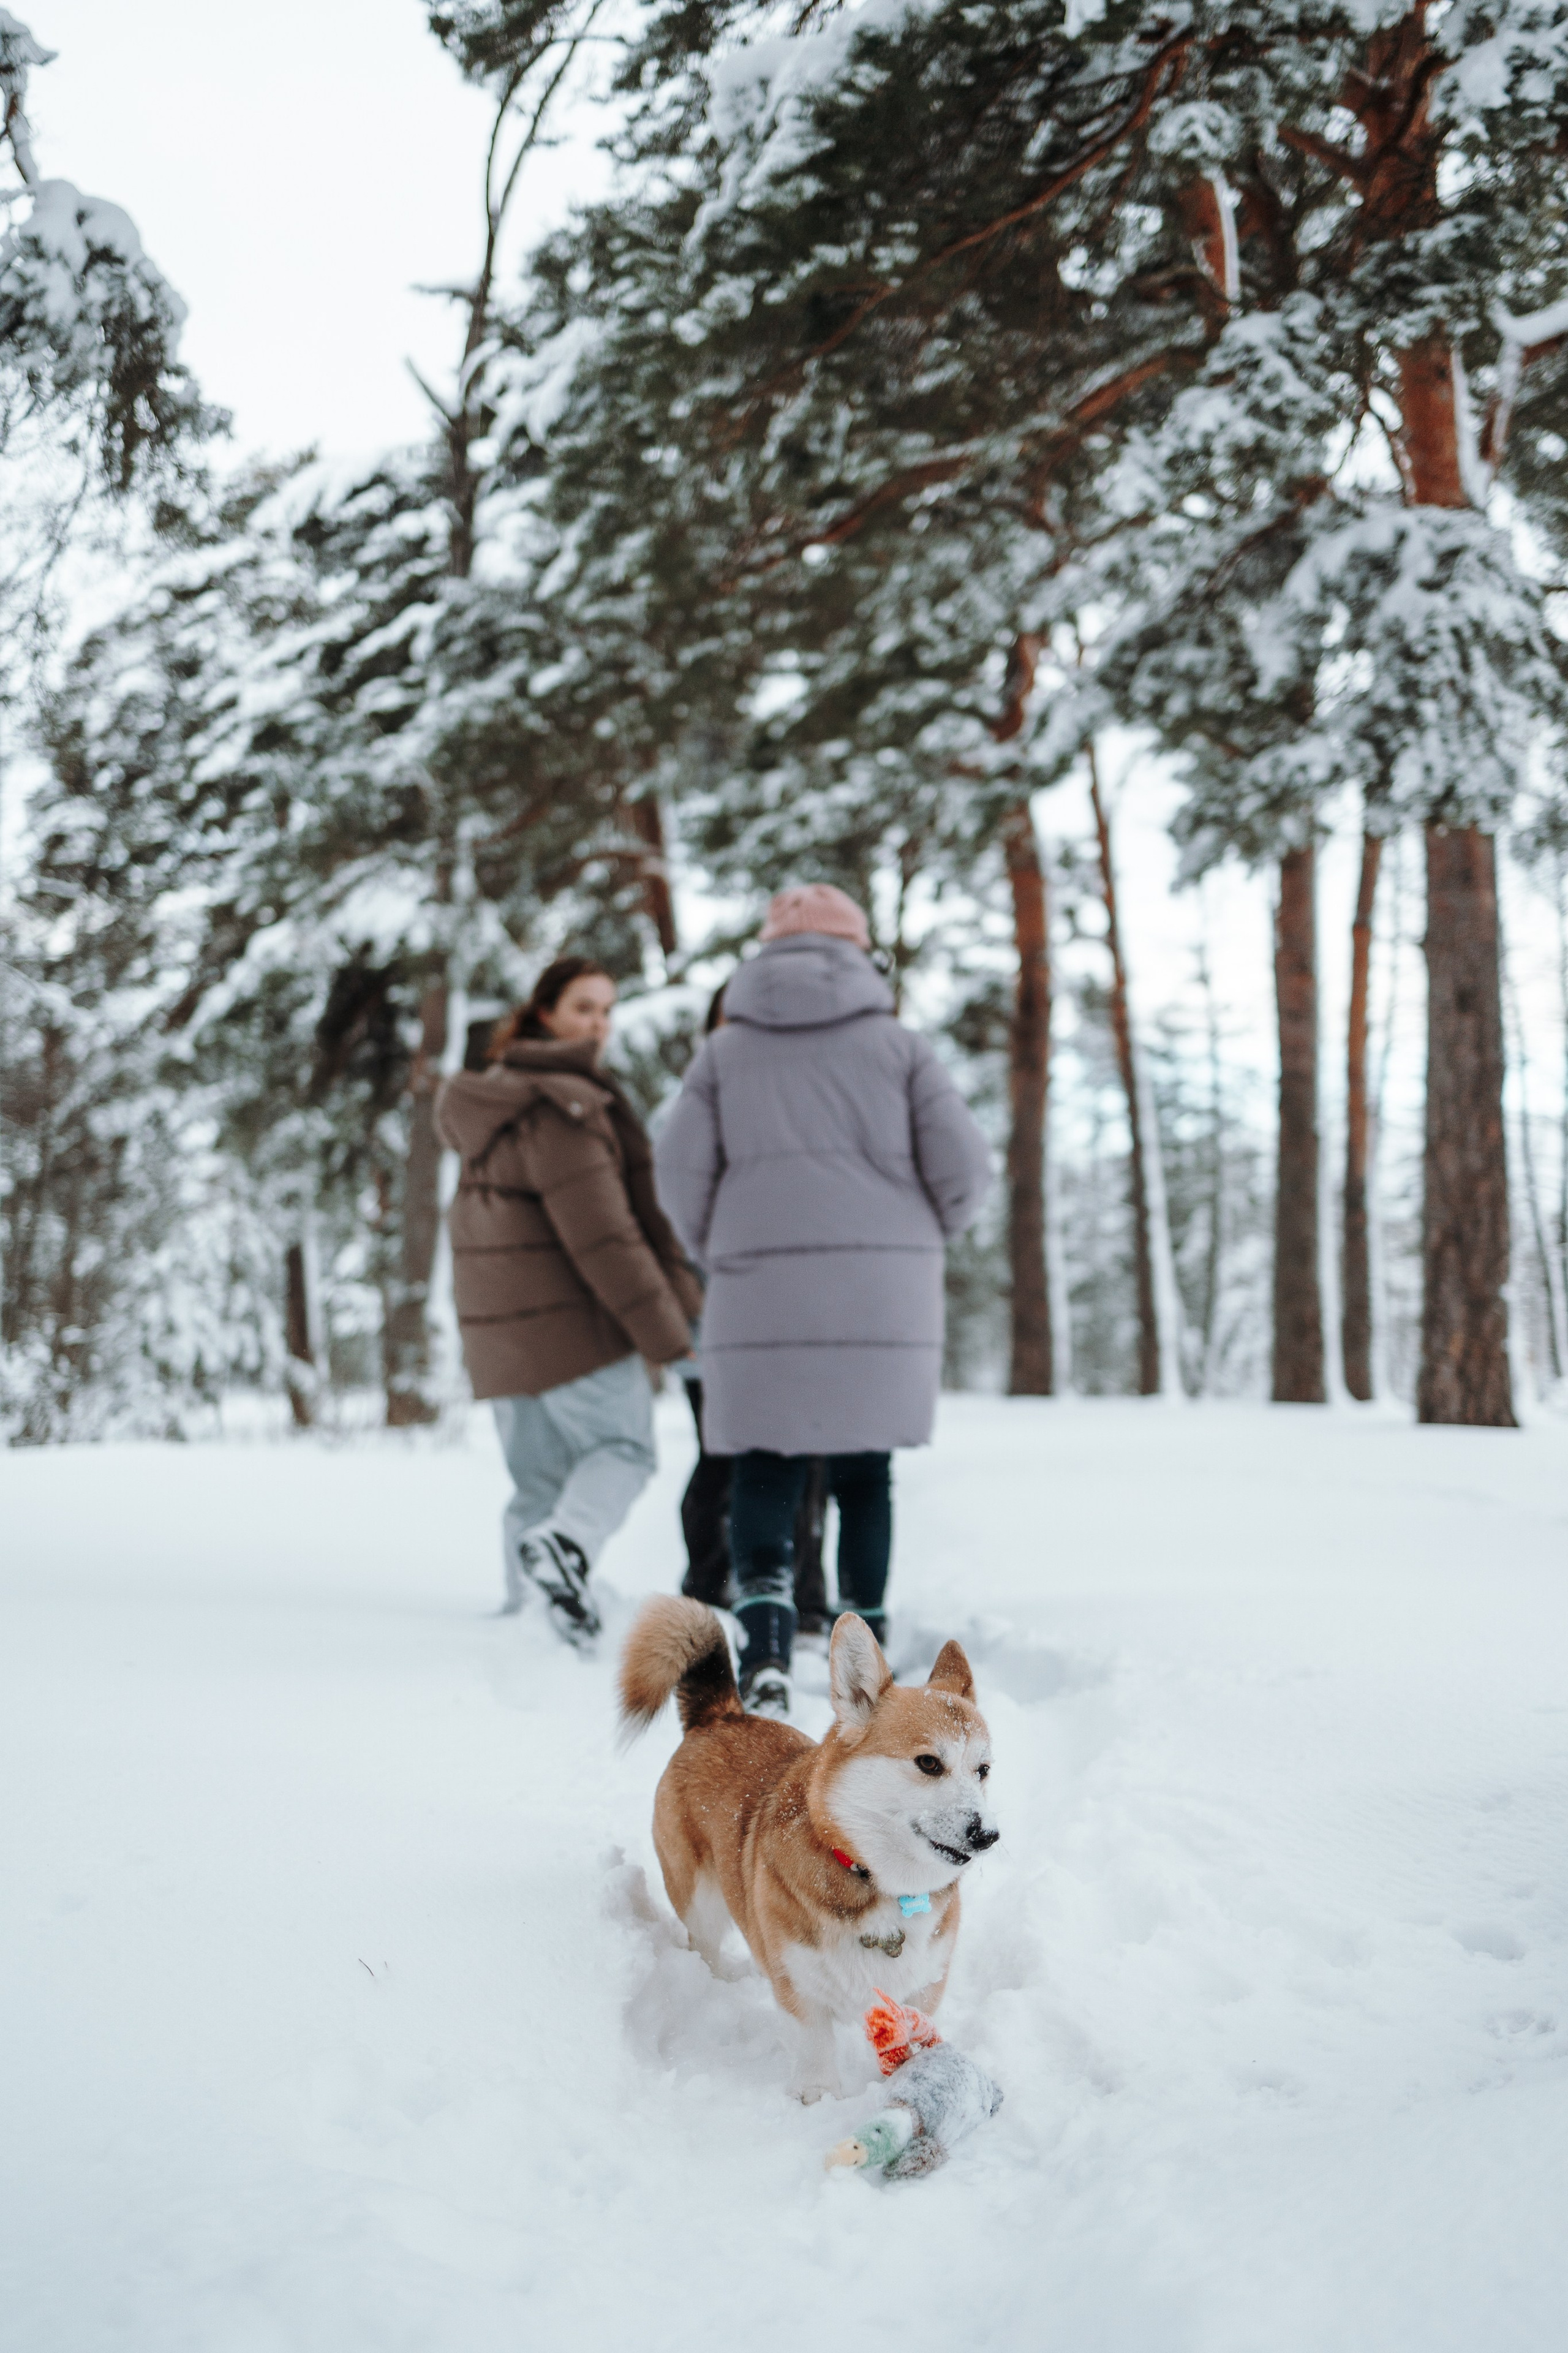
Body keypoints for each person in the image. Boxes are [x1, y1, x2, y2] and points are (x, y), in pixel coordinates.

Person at [654, 883, 992, 1715]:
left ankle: (766, 1645)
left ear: (765, 956)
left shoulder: (722, 1056)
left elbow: (677, 1171)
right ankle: (865, 1644)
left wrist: (719, 1245)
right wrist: (915, 1236)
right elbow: (968, 1170)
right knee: (864, 1469)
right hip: (881, 1289)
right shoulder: (901, 1047)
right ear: (858, 951)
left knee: (763, 1460)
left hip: (756, 1287)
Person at [436, 956, 700, 1645]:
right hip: (570, 1323)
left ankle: (530, 1623)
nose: (600, 1024)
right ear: (545, 1012)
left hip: (498, 1328)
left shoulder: (495, 1098)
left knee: (537, 1481)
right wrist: (669, 1331)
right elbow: (604, 1236)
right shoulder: (565, 1106)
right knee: (623, 1448)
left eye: (608, 1009)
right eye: (585, 1007)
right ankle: (568, 1547)